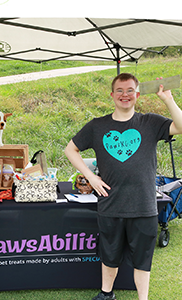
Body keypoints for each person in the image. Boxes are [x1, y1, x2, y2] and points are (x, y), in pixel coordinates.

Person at [64, 73, 182, 300]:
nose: (125, 95)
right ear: (112, 95)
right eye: (120, 90)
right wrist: (91, 177)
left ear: (137, 95)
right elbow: (71, 150)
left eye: (130, 90)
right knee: (109, 255)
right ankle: (106, 294)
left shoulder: (151, 122)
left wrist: (168, 99)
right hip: (111, 205)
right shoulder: (97, 126)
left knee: (143, 259)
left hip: (144, 205)